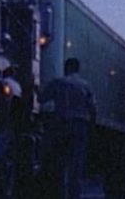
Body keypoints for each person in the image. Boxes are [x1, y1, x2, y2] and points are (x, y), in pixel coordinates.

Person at [40, 57, 97, 199]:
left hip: (61, 125)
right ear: (78, 69)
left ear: (66, 68)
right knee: (76, 165)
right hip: (80, 126)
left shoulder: (58, 83)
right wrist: (91, 127)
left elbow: (42, 99)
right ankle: (74, 195)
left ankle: (60, 193)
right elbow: (93, 109)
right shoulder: (86, 85)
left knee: (59, 163)